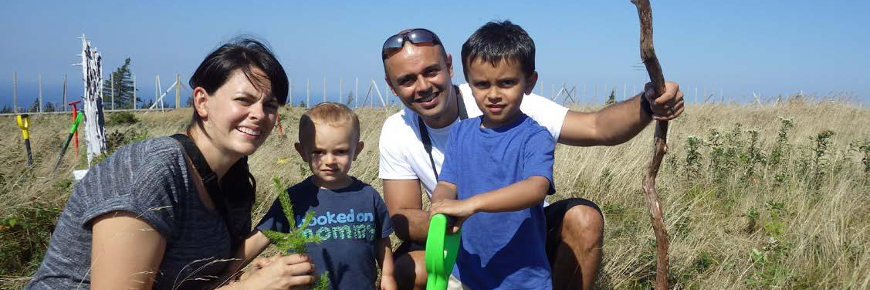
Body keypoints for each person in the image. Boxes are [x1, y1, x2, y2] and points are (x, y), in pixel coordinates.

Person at [378, 24, 684, 290]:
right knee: (404, 270)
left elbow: (598, 127)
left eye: (431, 71)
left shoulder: (508, 102)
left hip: (526, 234)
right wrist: (446, 214)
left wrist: (649, 103)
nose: (423, 86)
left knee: (584, 218)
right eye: (407, 80)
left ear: (448, 67)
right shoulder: (399, 130)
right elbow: (403, 217)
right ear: (392, 86)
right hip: (460, 241)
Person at [26, 38, 316, 290]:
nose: (259, 114)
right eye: (244, 100)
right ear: (202, 101)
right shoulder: (150, 171)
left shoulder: (231, 181)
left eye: (270, 105)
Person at [429, 20, 559, 289]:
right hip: (464, 270)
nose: (494, 94)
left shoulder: (535, 136)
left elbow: (535, 188)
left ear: (529, 82)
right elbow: (447, 183)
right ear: (469, 83)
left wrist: (472, 203)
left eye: (507, 82)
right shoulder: (460, 133)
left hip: (522, 277)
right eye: (482, 84)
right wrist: (441, 207)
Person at [230, 102, 397, 290]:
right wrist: (229, 273)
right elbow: (260, 237)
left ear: (356, 150)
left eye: (340, 151)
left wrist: (388, 275)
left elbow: (382, 240)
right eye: (318, 152)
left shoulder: (368, 195)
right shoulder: (293, 199)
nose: (329, 160)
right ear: (302, 152)